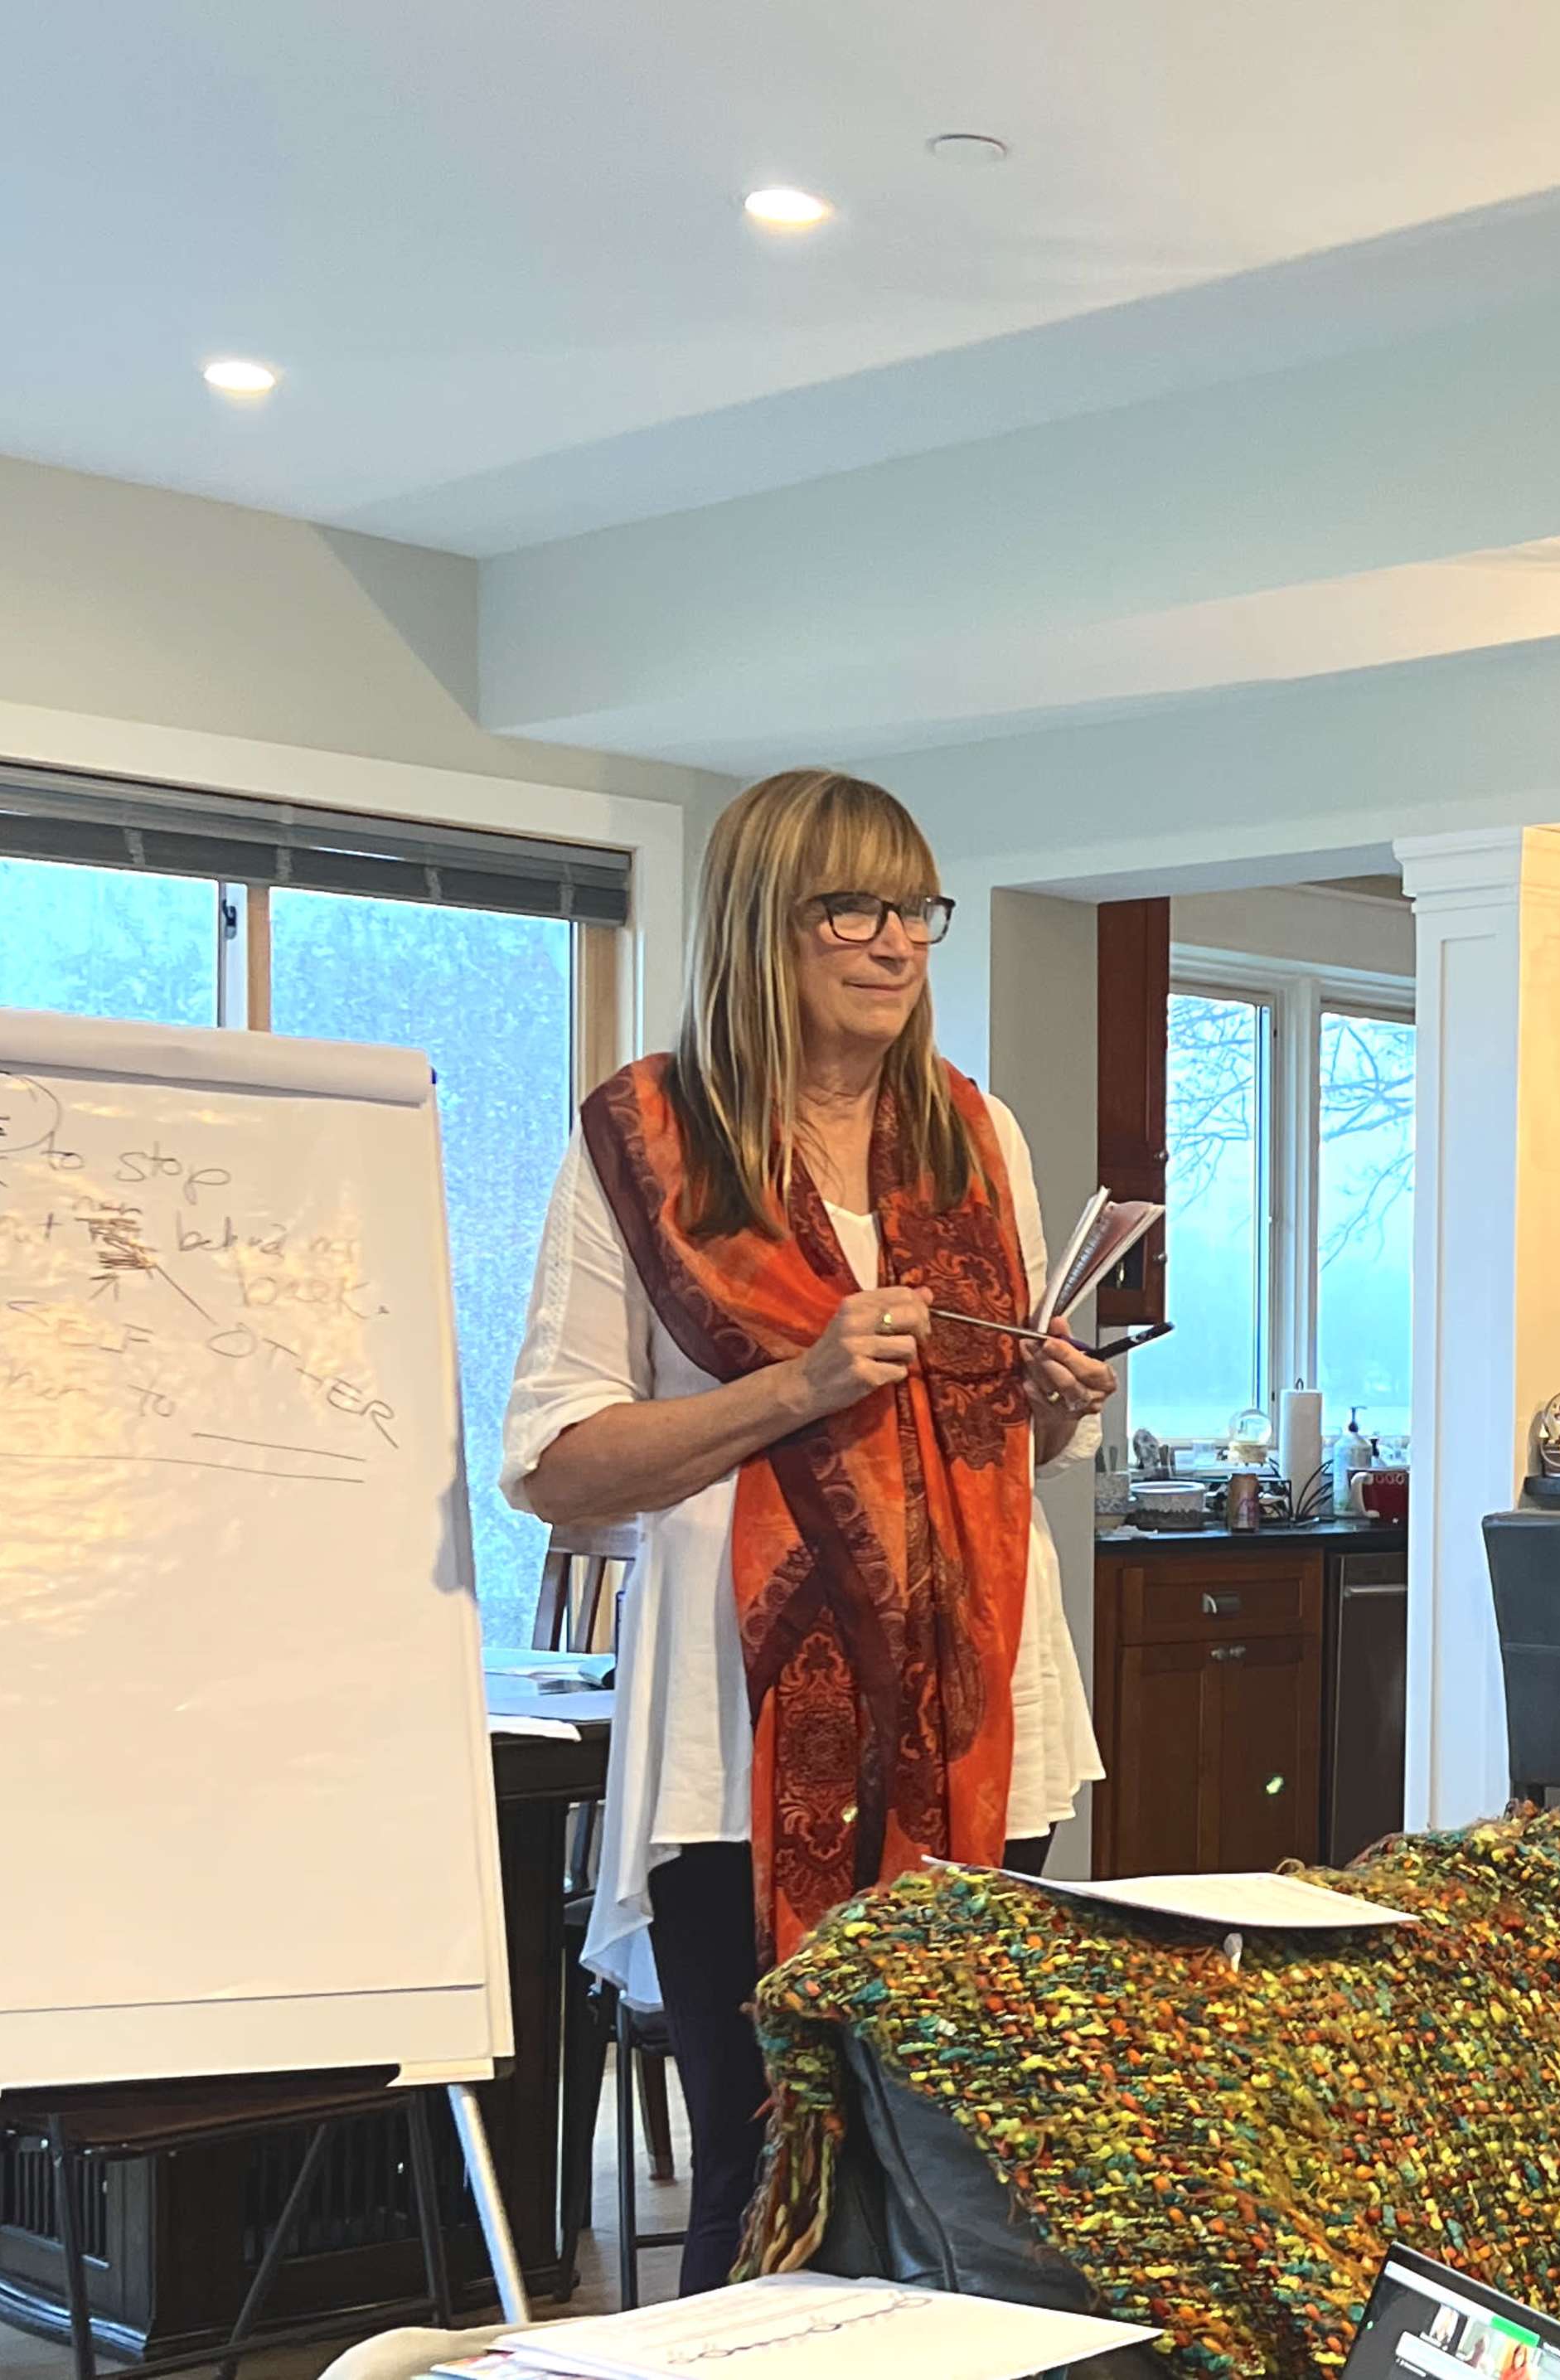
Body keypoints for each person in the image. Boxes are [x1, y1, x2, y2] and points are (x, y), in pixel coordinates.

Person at [502, 768, 1115, 2288]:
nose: (897, 941)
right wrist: (798, 1384)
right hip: (738, 1738)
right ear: (763, 925)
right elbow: (558, 1466)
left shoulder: (979, 1137)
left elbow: (999, 1451)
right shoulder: (649, 1146)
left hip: (979, 1716)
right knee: (772, 2149)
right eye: (854, 905)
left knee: (963, 2157)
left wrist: (1055, 1397)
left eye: (916, 908)